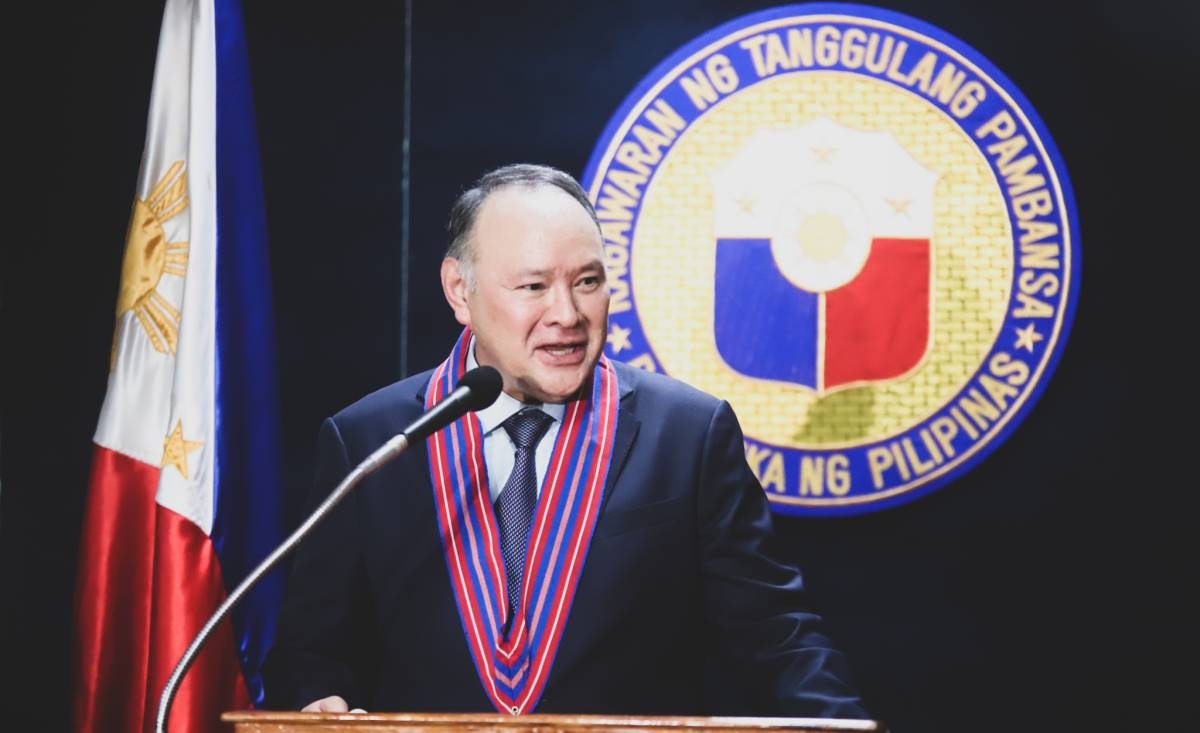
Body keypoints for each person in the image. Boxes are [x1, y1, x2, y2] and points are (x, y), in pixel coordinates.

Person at [262, 164, 869, 719]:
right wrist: (318, 698)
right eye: (533, 287)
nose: (567, 314)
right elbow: (312, 647)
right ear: (458, 291)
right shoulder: (372, 441)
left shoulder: (687, 435)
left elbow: (776, 633)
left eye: (586, 281)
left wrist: (838, 720)